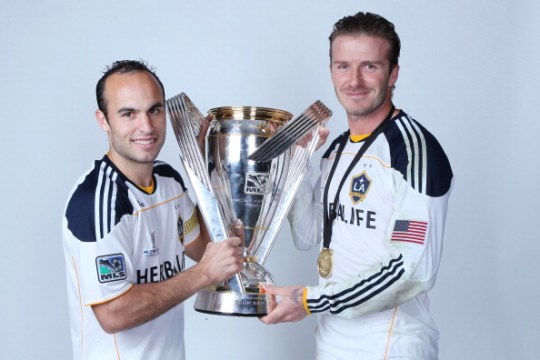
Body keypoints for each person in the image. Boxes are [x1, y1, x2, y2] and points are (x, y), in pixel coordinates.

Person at [260, 12, 454, 359]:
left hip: (391, 345)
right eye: (343, 66)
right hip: (332, 341)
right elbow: (308, 235)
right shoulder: (336, 150)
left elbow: (411, 271)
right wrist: (295, 165)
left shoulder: (412, 151)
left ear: (393, 73)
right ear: (331, 70)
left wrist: (309, 299)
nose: (354, 80)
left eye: (370, 66)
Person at [62, 60, 244, 359]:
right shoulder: (97, 202)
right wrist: (202, 275)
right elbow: (114, 314)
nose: (145, 126)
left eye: (154, 110)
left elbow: (208, 249)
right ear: (103, 120)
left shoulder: (169, 181)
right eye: (128, 113)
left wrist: (208, 169)